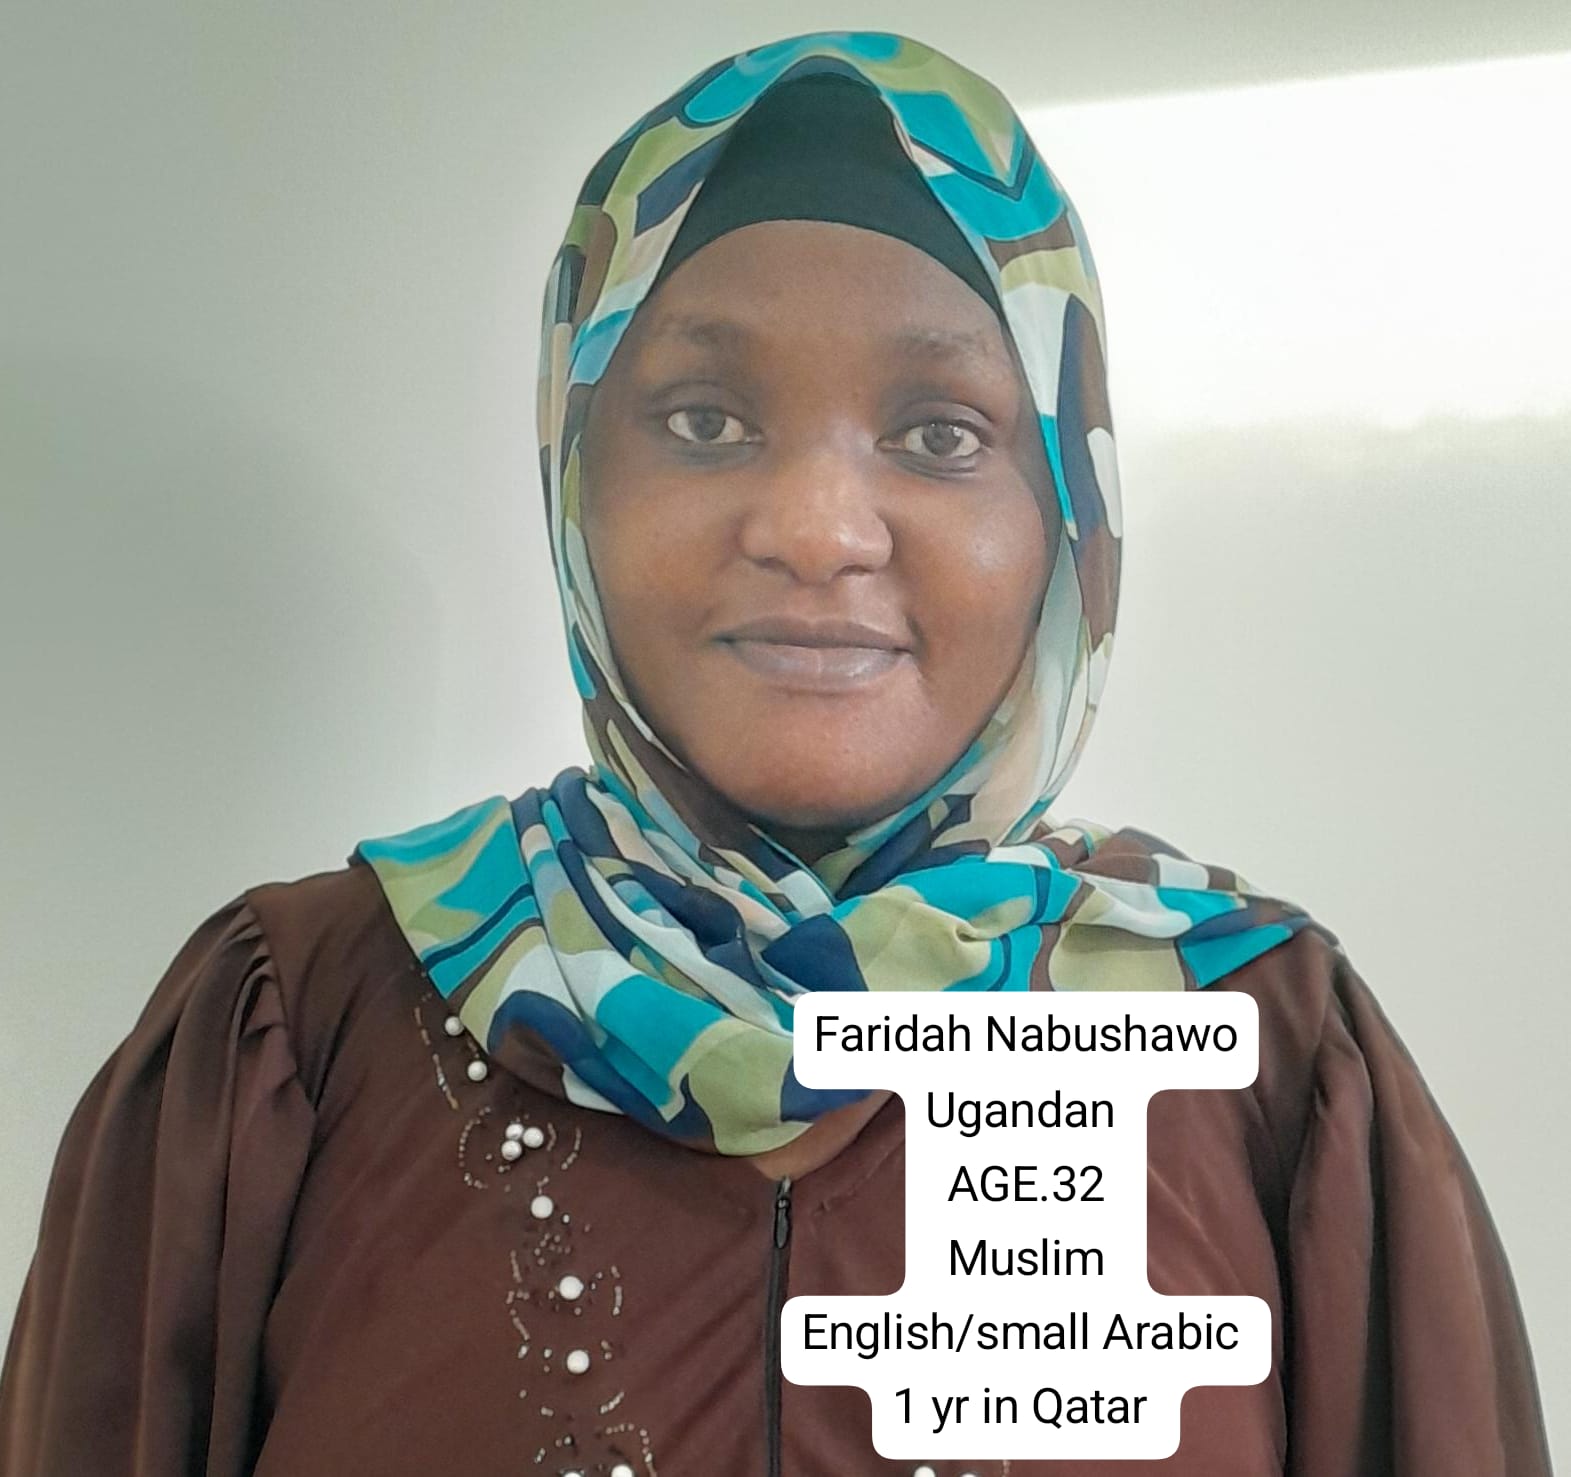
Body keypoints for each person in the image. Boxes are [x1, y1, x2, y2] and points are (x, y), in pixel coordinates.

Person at [0, 30, 1551, 1477]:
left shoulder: (1266, 1057)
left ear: (1066, 514)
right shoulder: (300, 1029)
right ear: (575, 480)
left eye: (941, 432)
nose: (816, 530)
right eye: (703, 420)